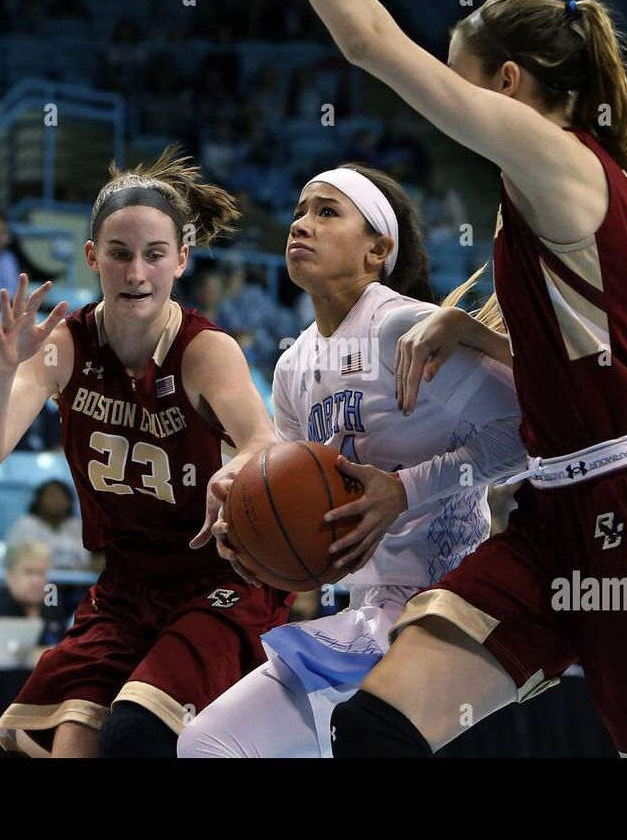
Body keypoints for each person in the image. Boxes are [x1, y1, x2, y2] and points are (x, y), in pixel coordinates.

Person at [281, 0, 627, 757]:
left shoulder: (559, 158)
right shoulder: (554, 188)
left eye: (462, 82)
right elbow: (585, 355)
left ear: (510, 83)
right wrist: (473, 332)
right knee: (376, 726)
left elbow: (368, 41)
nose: (450, 102)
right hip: (553, 514)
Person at [179, 165, 523, 757]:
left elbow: (523, 435)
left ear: (377, 251)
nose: (300, 225)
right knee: (207, 744)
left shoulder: (401, 327)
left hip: (450, 606)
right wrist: (242, 507)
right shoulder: (293, 366)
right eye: (300, 211)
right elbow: (286, 487)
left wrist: (403, 490)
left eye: (327, 212)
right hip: (364, 608)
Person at [0, 145, 292, 758]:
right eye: (118, 254)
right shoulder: (64, 344)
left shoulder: (203, 349)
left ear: (181, 260)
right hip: (123, 587)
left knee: (136, 731)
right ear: (93, 257)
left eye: (153, 254)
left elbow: (261, 440)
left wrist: (237, 472)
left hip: (216, 580)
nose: (136, 271)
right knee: (68, 743)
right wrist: (2, 370)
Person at [0, 540, 69, 663]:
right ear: (10, 576)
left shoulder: (52, 606)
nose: (36, 581)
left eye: (41, 573)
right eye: (29, 572)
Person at [4, 479, 87, 571]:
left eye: (62, 496)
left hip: (77, 583)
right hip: (35, 582)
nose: (57, 500)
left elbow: (89, 562)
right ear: (39, 499)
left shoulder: (77, 526)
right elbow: (12, 562)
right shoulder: (25, 525)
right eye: (51, 495)